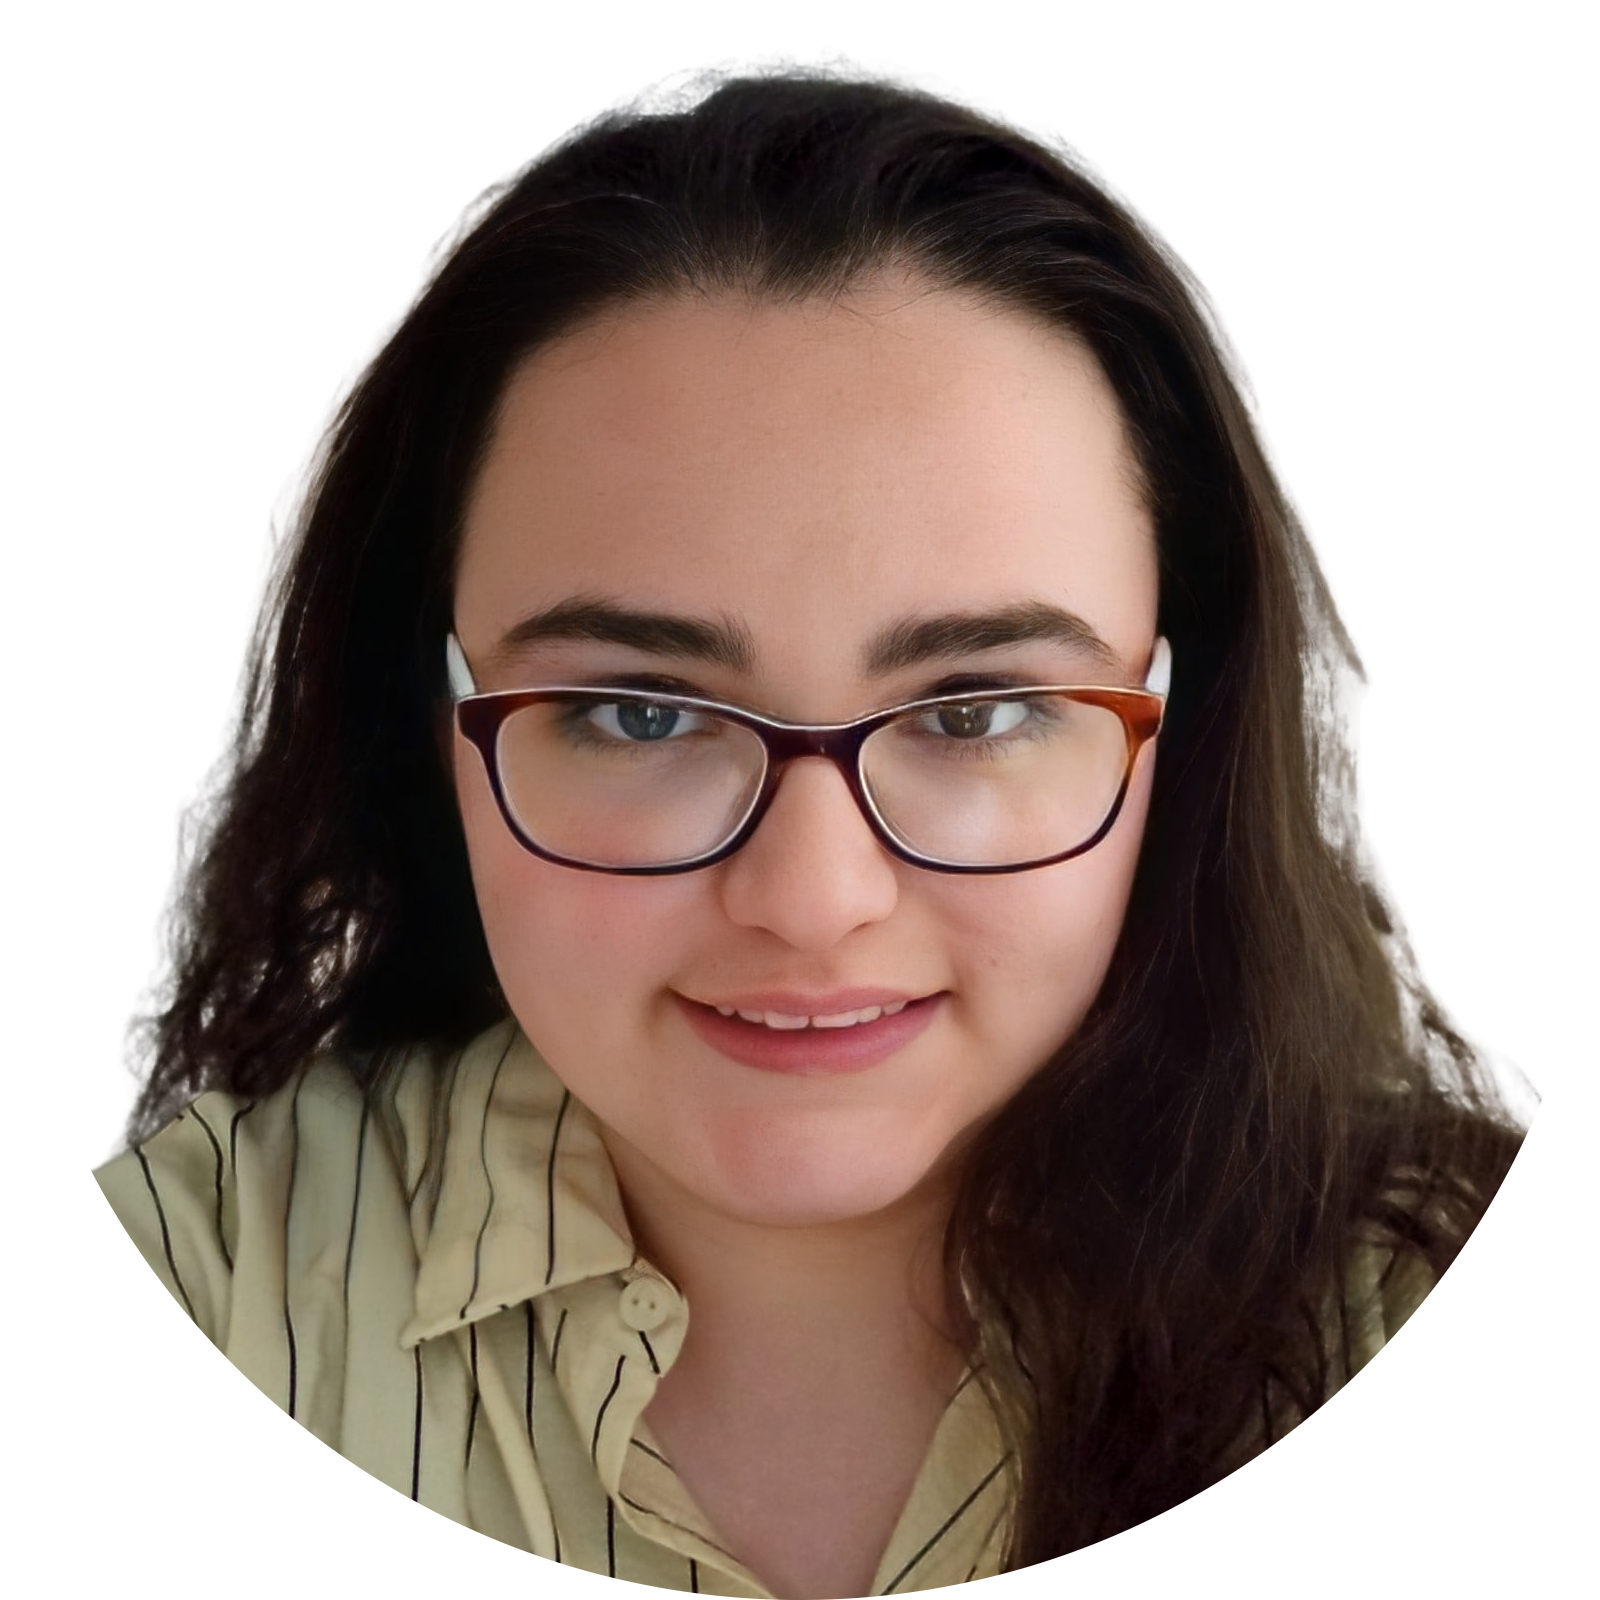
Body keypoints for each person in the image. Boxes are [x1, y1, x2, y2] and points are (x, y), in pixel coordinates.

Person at [92, 72, 1525, 1591]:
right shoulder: (213, 1279)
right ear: (432, 717)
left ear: (1184, 722)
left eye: (973, 712)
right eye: (642, 715)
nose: (813, 900)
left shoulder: (1405, 1292)